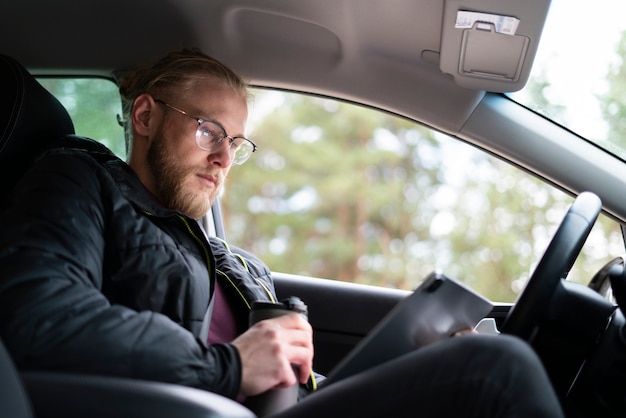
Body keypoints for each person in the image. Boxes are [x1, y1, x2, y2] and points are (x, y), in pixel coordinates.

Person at [0, 48, 564, 417]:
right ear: (145, 117)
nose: (223, 158)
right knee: (499, 370)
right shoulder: (77, 179)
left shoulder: (229, 260)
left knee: (469, 371)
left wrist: (415, 364)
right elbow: (40, 315)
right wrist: (229, 366)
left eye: (236, 144)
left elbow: (290, 382)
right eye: (208, 131)